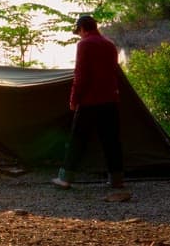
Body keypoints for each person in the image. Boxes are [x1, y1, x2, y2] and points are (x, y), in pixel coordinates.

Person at [51, 15, 124, 190]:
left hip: (90, 100)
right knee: (112, 141)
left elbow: (81, 75)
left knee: (77, 139)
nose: (80, 35)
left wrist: (74, 100)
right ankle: (116, 179)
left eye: (79, 32)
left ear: (82, 28)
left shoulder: (84, 44)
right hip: (110, 99)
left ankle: (65, 178)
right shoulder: (109, 44)